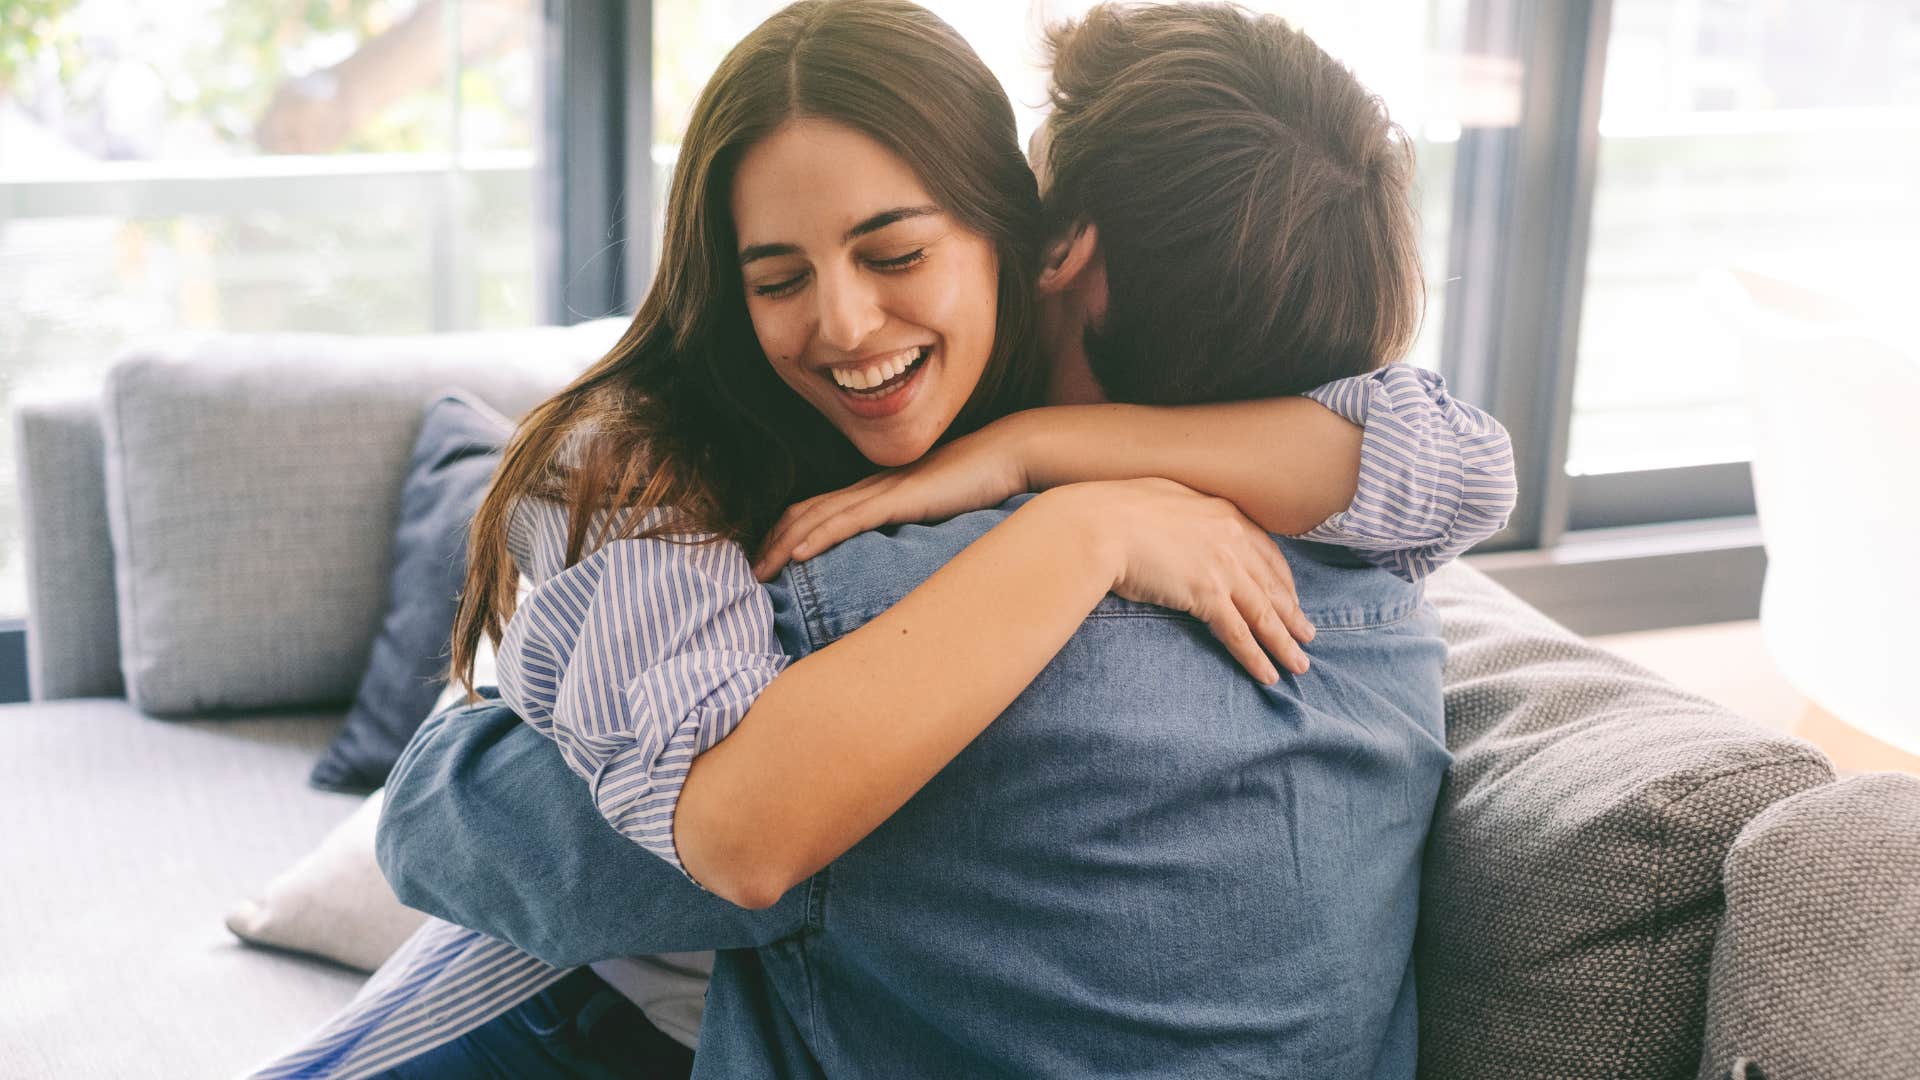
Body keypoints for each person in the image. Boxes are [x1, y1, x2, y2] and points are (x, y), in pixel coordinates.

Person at [251, 2, 1512, 1077]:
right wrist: (1078, 513)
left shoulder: (881, 606)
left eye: (897, 250)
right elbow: (1456, 463)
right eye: (779, 276)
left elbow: (473, 825)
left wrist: (1059, 492)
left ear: (1041, 240)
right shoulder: (1376, 579)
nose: (847, 323)